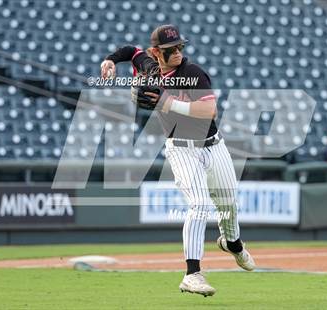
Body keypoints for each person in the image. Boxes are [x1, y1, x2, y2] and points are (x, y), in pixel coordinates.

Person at [100, 25, 255, 297]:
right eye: (172, 49)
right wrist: (110, 59)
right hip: (181, 149)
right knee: (199, 204)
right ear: (157, 52)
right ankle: (192, 274)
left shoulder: (192, 72)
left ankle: (232, 243)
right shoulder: (149, 67)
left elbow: (209, 110)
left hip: (213, 145)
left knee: (228, 204)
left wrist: (168, 102)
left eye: (181, 47)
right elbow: (131, 51)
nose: (178, 53)